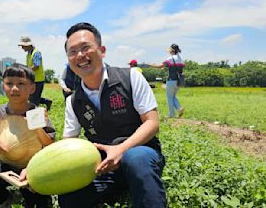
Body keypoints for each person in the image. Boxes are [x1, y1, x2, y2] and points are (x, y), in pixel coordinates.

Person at [60, 22, 166, 207]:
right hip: (104, 166)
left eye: (86, 48)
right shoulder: (73, 101)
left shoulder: (130, 77)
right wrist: (34, 170)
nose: (80, 55)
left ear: (102, 50)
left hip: (140, 153)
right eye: (73, 51)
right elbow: (67, 144)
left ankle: (140, 181)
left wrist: (121, 149)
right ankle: (123, 185)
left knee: (136, 159)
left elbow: (152, 122)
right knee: (69, 198)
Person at [0, 63, 55, 207]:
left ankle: (40, 196)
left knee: (37, 202)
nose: (14, 88)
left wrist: (37, 127)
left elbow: (50, 145)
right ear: (3, 85)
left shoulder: (37, 113)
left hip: (34, 167)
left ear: (32, 88)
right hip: (7, 165)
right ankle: (6, 199)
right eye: (9, 83)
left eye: (21, 84)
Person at [149, 44, 185, 118]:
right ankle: (179, 108)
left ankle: (171, 114)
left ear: (172, 51)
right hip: (179, 81)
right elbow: (177, 68)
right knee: (173, 96)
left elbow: (160, 66)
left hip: (171, 80)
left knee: (169, 97)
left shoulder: (170, 59)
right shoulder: (181, 58)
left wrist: (152, 65)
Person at [18, 36, 52, 110]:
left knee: (33, 100)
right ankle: (46, 101)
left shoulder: (36, 53)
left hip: (38, 80)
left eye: (23, 46)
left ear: (28, 45)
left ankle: (35, 117)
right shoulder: (28, 54)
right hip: (32, 79)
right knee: (31, 97)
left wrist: (26, 71)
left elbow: (36, 66)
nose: (22, 48)